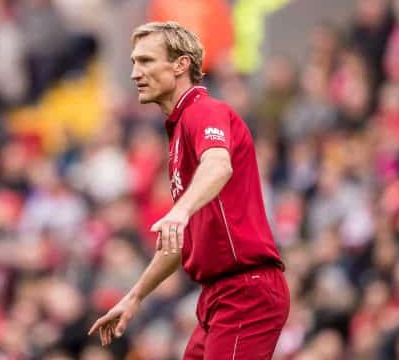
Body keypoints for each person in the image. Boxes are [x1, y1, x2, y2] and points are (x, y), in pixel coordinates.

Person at [88, 21, 289, 359]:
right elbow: (179, 243)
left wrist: (178, 211)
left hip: (245, 291)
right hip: (217, 297)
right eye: (134, 63)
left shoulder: (204, 111)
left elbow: (219, 165)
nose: (136, 73)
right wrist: (135, 296)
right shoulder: (179, 132)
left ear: (180, 64)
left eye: (147, 61)